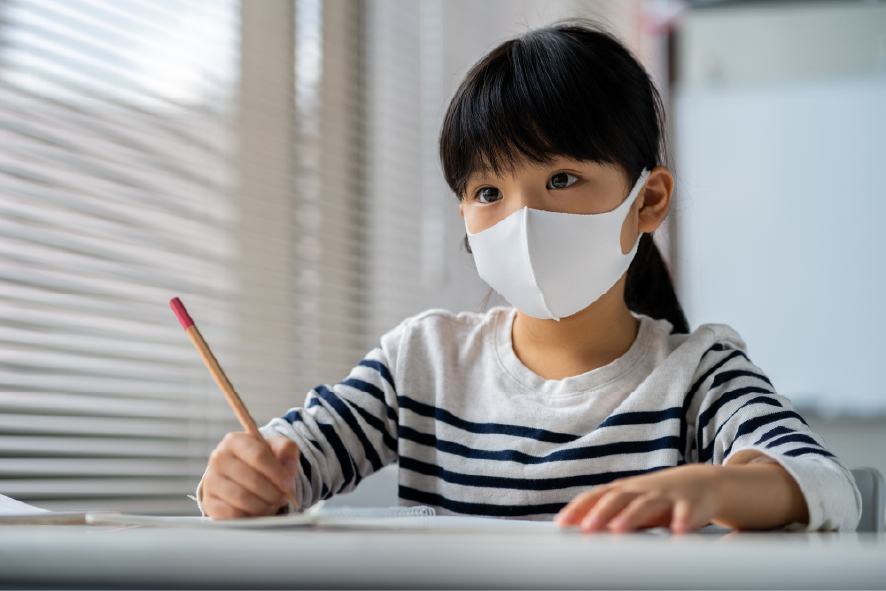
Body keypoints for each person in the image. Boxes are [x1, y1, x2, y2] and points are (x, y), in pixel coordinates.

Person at [196, 21, 861, 532]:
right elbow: (290, 463)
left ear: (649, 201)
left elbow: (824, 482)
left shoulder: (698, 374)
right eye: (488, 192)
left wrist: (707, 487)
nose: (521, 217)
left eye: (562, 178)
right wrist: (243, 479)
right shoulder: (422, 363)